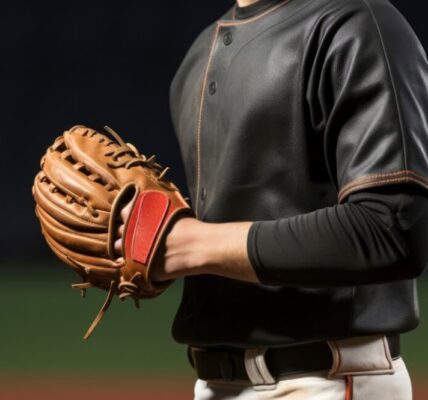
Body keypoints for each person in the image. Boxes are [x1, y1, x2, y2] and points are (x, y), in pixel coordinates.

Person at [116, 0, 428, 398]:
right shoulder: (195, 62)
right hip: (214, 382)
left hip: (325, 380)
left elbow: (392, 228)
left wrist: (189, 244)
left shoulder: (356, 22)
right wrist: (150, 250)